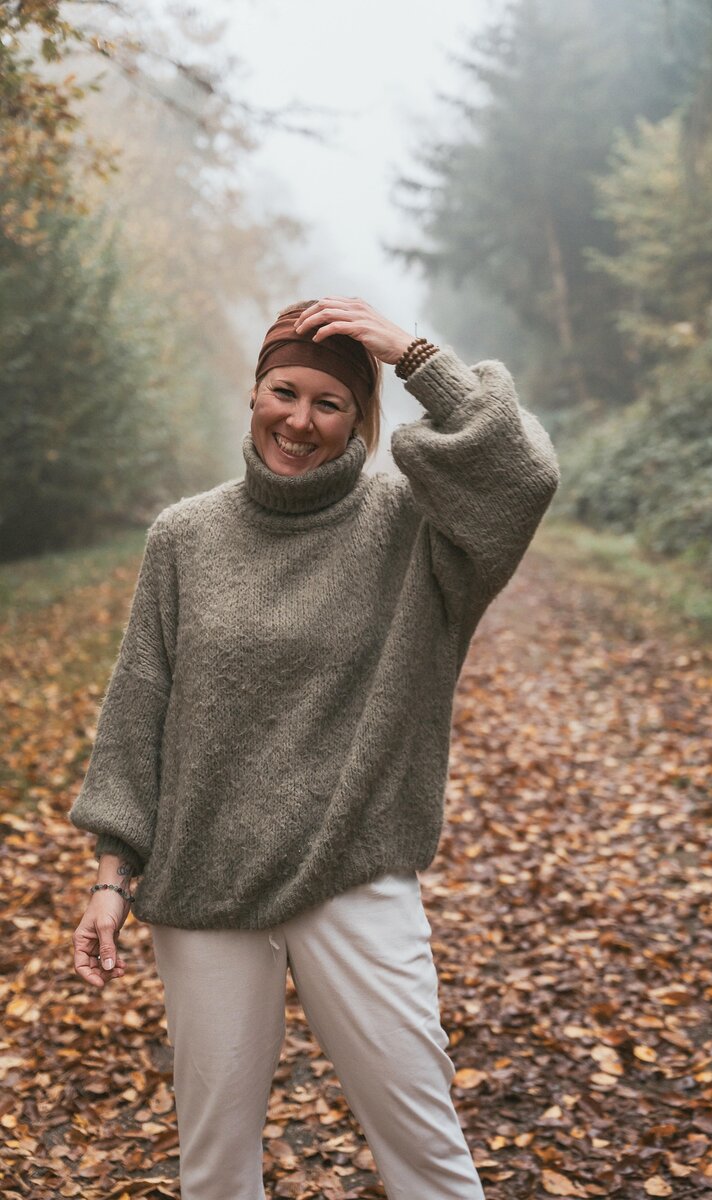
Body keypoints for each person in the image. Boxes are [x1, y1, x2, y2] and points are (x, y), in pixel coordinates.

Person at [69, 295, 560, 1200]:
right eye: (282, 391)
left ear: (360, 420)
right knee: (214, 1170)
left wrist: (412, 355)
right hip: (205, 886)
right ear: (253, 395)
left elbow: (520, 476)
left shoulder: (413, 528)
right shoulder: (184, 536)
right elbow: (141, 710)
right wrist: (111, 876)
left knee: (429, 1157)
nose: (299, 419)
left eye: (329, 402)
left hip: (355, 869)